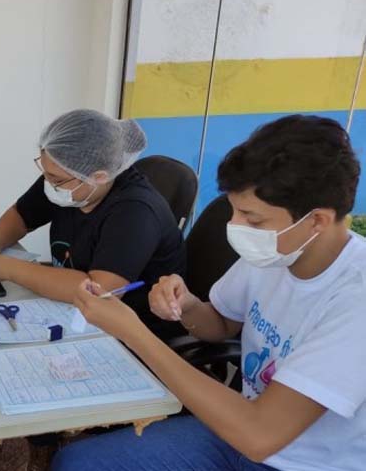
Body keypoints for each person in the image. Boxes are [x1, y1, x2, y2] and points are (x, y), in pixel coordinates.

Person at [53, 115, 366, 471]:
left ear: (317, 221)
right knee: (77, 462)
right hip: (237, 433)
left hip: (294, 458)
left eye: (253, 219)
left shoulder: (354, 299)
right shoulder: (280, 251)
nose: (235, 226)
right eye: (233, 211)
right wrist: (186, 305)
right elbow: (220, 324)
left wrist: (133, 332)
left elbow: (259, 437)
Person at [0, 109, 186, 339]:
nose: (48, 183)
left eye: (56, 179)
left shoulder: (136, 212)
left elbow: (98, 292)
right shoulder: (69, 180)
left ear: (99, 176)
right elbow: (21, 215)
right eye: (46, 173)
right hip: (74, 313)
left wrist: (8, 268)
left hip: (132, 336)